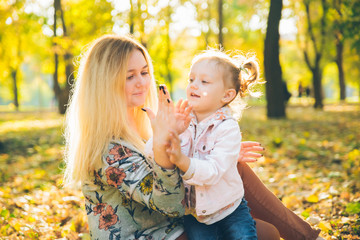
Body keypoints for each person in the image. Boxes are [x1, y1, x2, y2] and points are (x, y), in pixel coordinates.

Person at [64, 34, 322, 240]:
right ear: (104, 83)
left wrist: (219, 151)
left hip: (173, 224)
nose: (142, 82)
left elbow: (172, 167)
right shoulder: (108, 150)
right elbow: (171, 202)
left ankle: (308, 238)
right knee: (268, 233)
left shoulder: (137, 124)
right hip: (157, 232)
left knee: (235, 169)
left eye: (144, 72)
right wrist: (170, 141)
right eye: (130, 76)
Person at [161, 49, 259, 239]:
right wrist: (169, 130)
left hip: (230, 208)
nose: (194, 86)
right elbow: (157, 153)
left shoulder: (227, 128)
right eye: (191, 80)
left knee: (244, 237)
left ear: (226, 95)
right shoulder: (183, 121)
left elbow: (213, 171)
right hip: (196, 213)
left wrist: (183, 161)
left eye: (204, 82)